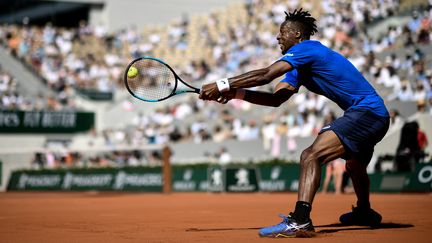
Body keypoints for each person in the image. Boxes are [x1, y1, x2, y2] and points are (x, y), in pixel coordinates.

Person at [199, 9, 390, 238]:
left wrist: (222, 84)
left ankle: (300, 220)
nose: (278, 38)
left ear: (297, 34)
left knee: (311, 156)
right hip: (374, 115)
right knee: (354, 166)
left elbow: (266, 75)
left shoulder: (306, 49)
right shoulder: (300, 65)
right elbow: (276, 98)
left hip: (368, 112)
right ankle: (364, 211)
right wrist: (236, 94)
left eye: (282, 33)